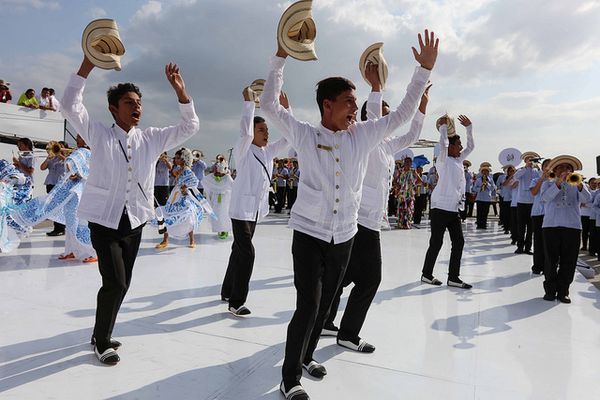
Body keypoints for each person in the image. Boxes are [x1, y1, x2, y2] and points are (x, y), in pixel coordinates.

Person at [263, 30, 437, 400]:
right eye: (348, 102)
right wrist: (281, 56)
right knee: (308, 305)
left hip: (344, 236)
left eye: (356, 103)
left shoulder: (363, 135)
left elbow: (402, 114)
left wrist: (422, 71)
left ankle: (307, 356)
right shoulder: (304, 134)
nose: (354, 109)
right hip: (309, 235)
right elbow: (270, 106)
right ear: (327, 105)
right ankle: (289, 377)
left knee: (326, 303)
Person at [61, 55, 199, 365]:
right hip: (104, 220)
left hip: (134, 221)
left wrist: (181, 91)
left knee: (122, 283)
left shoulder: (152, 139)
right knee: (115, 282)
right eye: (128, 102)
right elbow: (70, 105)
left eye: (139, 102)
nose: (136, 107)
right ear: (114, 108)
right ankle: (101, 341)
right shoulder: (99, 134)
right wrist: (87, 64)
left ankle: (102, 331)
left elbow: (190, 126)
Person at [324, 84, 431, 353]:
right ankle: (348, 333)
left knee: (344, 275)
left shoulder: (388, 145)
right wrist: (376, 87)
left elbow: (413, 134)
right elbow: (373, 115)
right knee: (371, 279)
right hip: (360, 217)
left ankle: (324, 320)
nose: (387, 117)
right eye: (383, 113)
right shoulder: (364, 136)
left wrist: (421, 108)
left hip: (372, 218)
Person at [221, 87, 289, 316]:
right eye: (261, 130)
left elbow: (289, 137)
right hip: (241, 210)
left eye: (267, 130)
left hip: (256, 210)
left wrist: (286, 110)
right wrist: (249, 103)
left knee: (238, 251)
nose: (266, 133)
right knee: (247, 253)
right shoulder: (244, 149)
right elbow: (245, 132)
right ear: (252, 132)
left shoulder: (268, 152)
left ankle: (227, 290)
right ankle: (236, 301)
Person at [12, 135, 98, 263]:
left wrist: (70, 163)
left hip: (79, 192)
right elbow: (73, 171)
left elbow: (76, 167)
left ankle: (91, 251)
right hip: (73, 190)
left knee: (79, 222)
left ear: (86, 139)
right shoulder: (81, 152)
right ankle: (72, 250)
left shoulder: (84, 152)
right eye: (77, 138)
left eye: (79, 137)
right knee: (71, 221)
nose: (77, 140)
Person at [421, 114, 474, 289]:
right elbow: (443, 143)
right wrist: (443, 127)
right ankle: (426, 274)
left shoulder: (459, 160)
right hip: (439, 207)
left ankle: (453, 277)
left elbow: (471, 146)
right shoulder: (443, 160)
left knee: (459, 242)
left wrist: (469, 128)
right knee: (436, 242)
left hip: (453, 209)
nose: (461, 148)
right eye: (458, 144)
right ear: (450, 147)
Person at [542, 156, 590, 303]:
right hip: (551, 225)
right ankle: (550, 290)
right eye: (561, 167)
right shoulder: (547, 183)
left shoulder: (578, 183)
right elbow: (545, 198)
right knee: (550, 260)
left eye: (568, 168)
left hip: (572, 226)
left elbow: (587, 199)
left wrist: (580, 185)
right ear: (555, 170)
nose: (565, 170)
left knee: (569, 261)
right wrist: (558, 182)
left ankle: (563, 291)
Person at [154, 148, 209, 249]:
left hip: (183, 197)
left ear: (184, 159)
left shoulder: (187, 170)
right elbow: (174, 173)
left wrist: (185, 187)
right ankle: (165, 240)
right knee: (167, 214)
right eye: (175, 158)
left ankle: (192, 240)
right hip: (175, 195)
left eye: (178, 158)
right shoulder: (180, 168)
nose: (175, 159)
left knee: (187, 217)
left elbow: (195, 181)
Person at [513, 153, 541, 254]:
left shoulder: (536, 171)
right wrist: (526, 167)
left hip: (532, 202)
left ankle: (528, 247)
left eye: (532, 159)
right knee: (521, 226)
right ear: (525, 161)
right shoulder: (521, 170)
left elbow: (543, 178)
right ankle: (520, 246)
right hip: (521, 201)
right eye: (528, 159)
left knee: (530, 227)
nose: (531, 161)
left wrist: (538, 167)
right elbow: (515, 177)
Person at [40, 141, 68, 236]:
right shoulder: (52, 158)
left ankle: (60, 228)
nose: (58, 149)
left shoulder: (67, 158)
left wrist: (60, 155)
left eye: (61, 147)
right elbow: (42, 168)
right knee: (53, 207)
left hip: (61, 184)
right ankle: (57, 228)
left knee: (59, 207)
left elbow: (69, 164)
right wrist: (48, 158)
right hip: (51, 183)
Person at [202, 156, 233, 239]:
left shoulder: (227, 177)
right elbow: (204, 181)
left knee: (224, 214)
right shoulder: (212, 177)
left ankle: (225, 230)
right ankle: (219, 229)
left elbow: (233, 186)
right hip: (215, 198)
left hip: (225, 198)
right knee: (217, 214)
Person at [529, 159, 551, 274]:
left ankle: (549, 266)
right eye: (546, 166)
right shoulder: (535, 179)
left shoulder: (556, 180)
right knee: (538, 241)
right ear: (542, 168)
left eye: (551, 166)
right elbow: (533, 192)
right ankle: (537, 266)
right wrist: (542, 178)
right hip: (538, 213)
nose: (548, 168)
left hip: (551, 214)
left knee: (550, 243)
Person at [394, 155, 421, 229]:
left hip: (409, 194)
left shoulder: (413, 171)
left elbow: (420, 181)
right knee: (401, 208)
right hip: (401, 194)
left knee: (409, 209)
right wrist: (397, 185)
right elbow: (395, 180)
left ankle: (407, 224)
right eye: (406, 162)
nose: (407, 163)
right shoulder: (400, 171)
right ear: (404, 162)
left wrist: (413, 185)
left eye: (409, 162)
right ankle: (400, 224)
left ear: (411, 163)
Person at [580, 178, 596, 251]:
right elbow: (580, 202)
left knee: (592, 233)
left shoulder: (597, 192)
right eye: (592, 183)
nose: (594, 184)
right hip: (584, 214)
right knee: (585, 232)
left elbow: (595, 205)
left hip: (593, 216)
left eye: (595, 183)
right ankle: (584, 246)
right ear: (589, 184)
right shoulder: (585, 191)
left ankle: (591, 248)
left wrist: (586, 205)